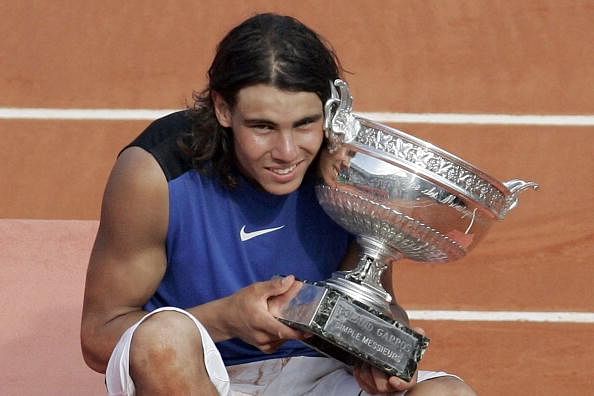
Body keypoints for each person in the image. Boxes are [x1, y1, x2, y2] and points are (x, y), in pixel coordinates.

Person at [81, 13, 476, 396]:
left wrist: (380, 353)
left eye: (305, 124)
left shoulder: (351, 171)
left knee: (448, 393)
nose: (287, 152)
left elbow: (375, 301)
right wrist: (225, 319)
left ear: (331, 113)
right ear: (223, 109)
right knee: (162, 341)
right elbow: (100, 336)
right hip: (203, 374)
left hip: (321, 376)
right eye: (263, 127)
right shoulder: (156, 174)